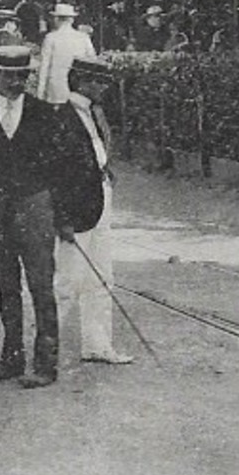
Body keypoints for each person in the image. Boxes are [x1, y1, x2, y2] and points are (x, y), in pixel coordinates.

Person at [0, 45, 69, 388]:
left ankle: (46, 365)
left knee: (40, 285)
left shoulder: (43, 113)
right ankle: (11, 359)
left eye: (23, 75)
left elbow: (59, 167)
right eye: (10, 75)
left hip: (35, 208)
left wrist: (59, 214)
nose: (17, 81)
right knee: (7, 286)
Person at [57, 58, 134, 365]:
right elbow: (56, 173)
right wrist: (61, 217)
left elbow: (96, 151)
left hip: (101, 197)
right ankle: (49, 350)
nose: (103, 87)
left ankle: (98, 344)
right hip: (76, 206)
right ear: (81, 81)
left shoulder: (94, 114)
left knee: (102, 276)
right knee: (67, 281)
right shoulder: (62, 116)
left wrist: (105, 170)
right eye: (98, 81)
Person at [36, 2, 96, 104]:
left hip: (55, 88)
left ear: (56, 19)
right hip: (78, 87)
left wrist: (40, 90)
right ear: (71, 20)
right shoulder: (83, 38)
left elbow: (44, 66)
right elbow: (93, 61)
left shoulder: (51, 38)